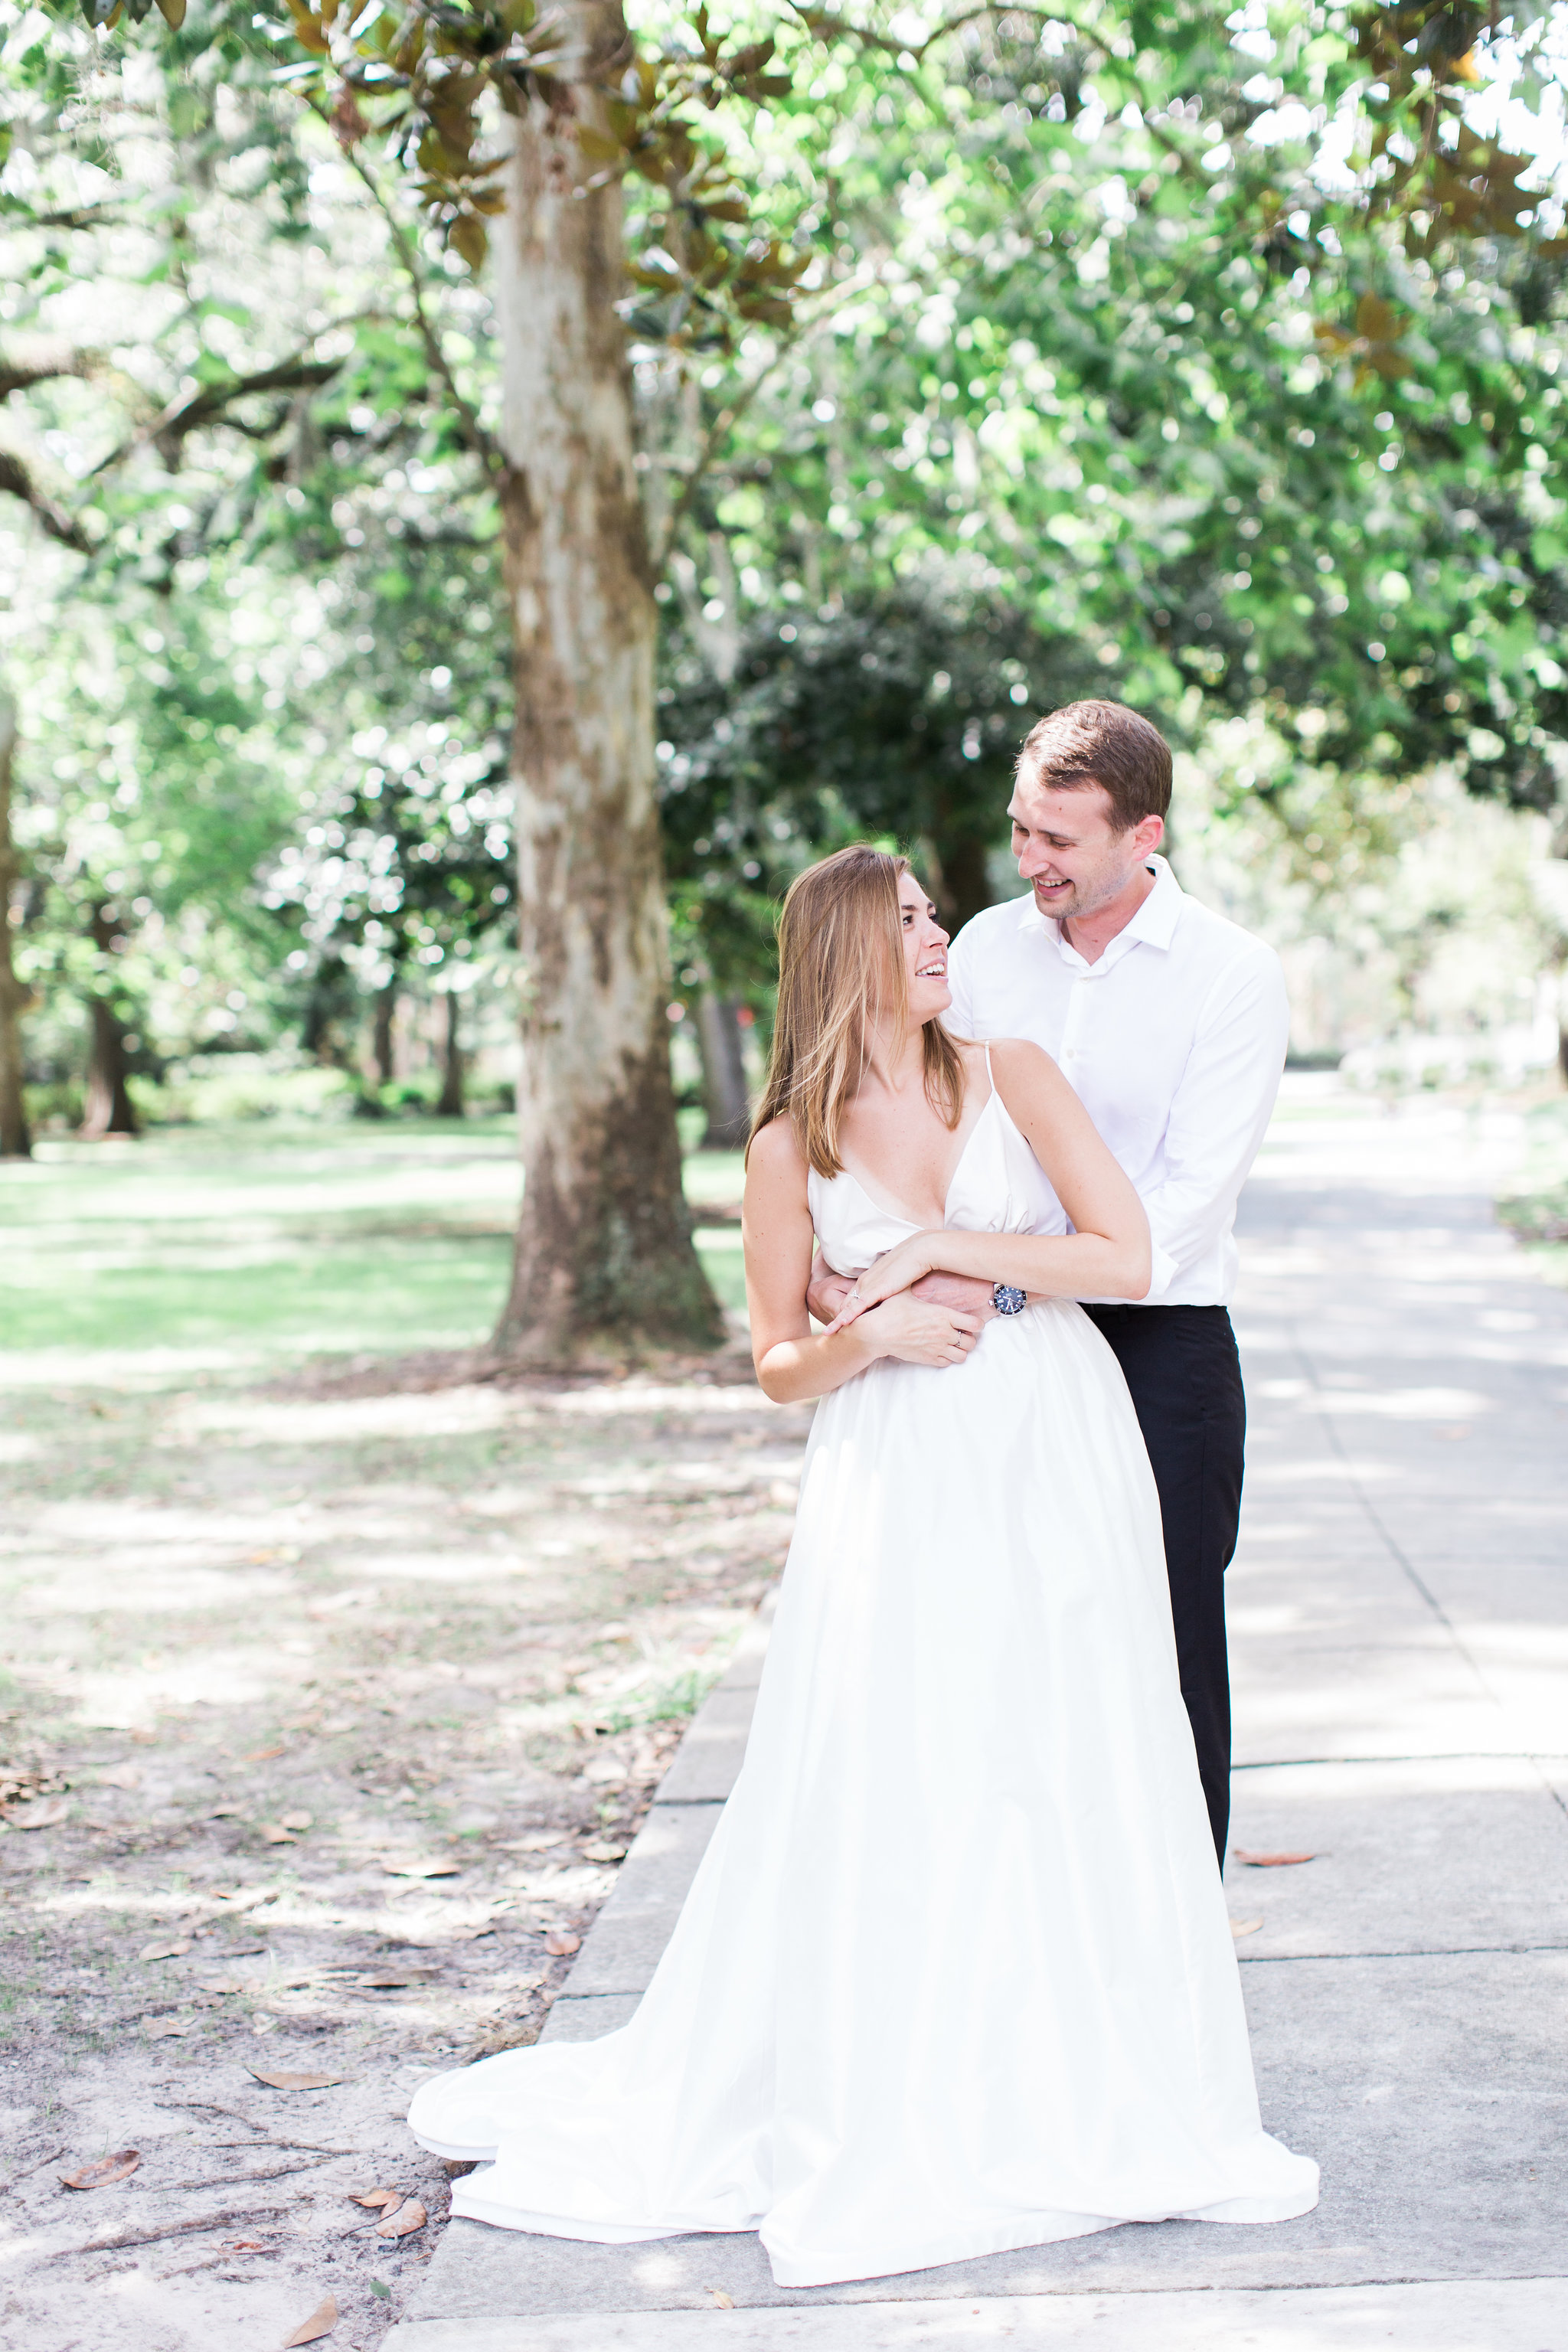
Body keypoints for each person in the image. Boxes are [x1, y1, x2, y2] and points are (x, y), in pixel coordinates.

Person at [407, 844, 1317, 2287]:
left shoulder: (1011, 1070)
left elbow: (1129, 1251)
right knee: (912, 1754)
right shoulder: (789, 1146)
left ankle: (1079, 2077)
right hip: (900, 1468)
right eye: (911, 919)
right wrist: (872, 1335)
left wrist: (947, 1253)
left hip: (1054, 1439)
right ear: (846, 952)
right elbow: (776, 1365)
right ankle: (913, 2072)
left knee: (1068, 1743)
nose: (944, 930)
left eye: (936, 912)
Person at [808, 701, 1289, 1867]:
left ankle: (1179, 1917)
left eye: (1060, 842)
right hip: (988, 1350)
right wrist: (857, 1278)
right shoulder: (979, 948)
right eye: (1022, 831)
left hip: (1157, 1350)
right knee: (1009, 1630)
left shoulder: (1232, 975)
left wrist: (995, 1280)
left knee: (1166, 1637)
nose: (1033, 863)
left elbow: (1175, 1217)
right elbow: (920, 1119)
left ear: (1144, 834)